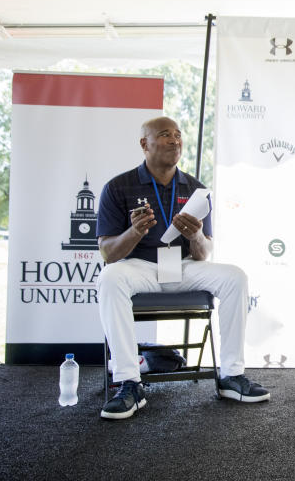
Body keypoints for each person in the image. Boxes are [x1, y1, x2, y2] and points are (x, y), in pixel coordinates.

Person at [96, 116, 269, 420]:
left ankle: (231, 376)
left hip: (183, 266)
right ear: (144, 144)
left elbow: (202, 254)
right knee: (110, 278)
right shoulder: (118, 187)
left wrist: (196, 235)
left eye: (178, 135)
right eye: (165, 135)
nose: (175, 141)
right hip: (140, 268)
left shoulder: (195, 189)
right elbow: (109, 253)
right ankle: (128, 383)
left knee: (234, 277)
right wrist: (134, 231)